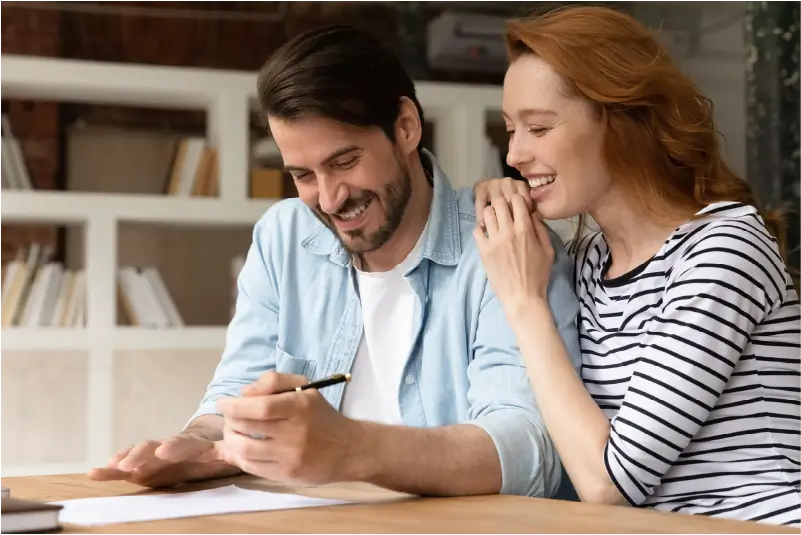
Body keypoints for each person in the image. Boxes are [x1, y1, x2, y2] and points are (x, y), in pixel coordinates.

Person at [87, 24, 582, 499]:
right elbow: (237, 391)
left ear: (406, 126)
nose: (328, 198)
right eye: (302, 174)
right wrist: (200, 443)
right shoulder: (284, 237)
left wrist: (350, 448)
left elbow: (526, 449)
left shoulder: (506, 242)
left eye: (344, 162)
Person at [472, 4, 801, 525]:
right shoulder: (589, 262)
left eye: (538, 127)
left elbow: (611, 483)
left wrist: (524, 300)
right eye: (511, 129)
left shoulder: (725, 248)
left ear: (620, 119)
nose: (513, 154)